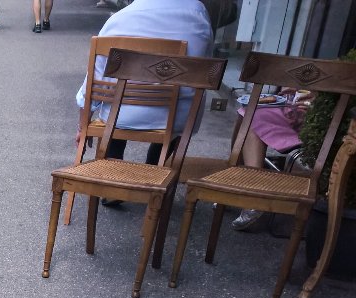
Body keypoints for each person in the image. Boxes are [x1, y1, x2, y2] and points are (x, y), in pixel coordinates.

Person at [74, 0, 213, 169]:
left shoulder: (118, 20)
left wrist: (83, 127)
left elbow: (93, 86)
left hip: (120, 115)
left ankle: (113, 173)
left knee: (113, 118)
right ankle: (154, 167)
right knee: (178, 124)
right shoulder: (198, 15)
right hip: (176, 117)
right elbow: (207, 72)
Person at [231, 88, 311, 230]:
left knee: (250, 117)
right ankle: (241, 187)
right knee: (249, 112)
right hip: (292, 108)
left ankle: (249, 197)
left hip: (318, 117)